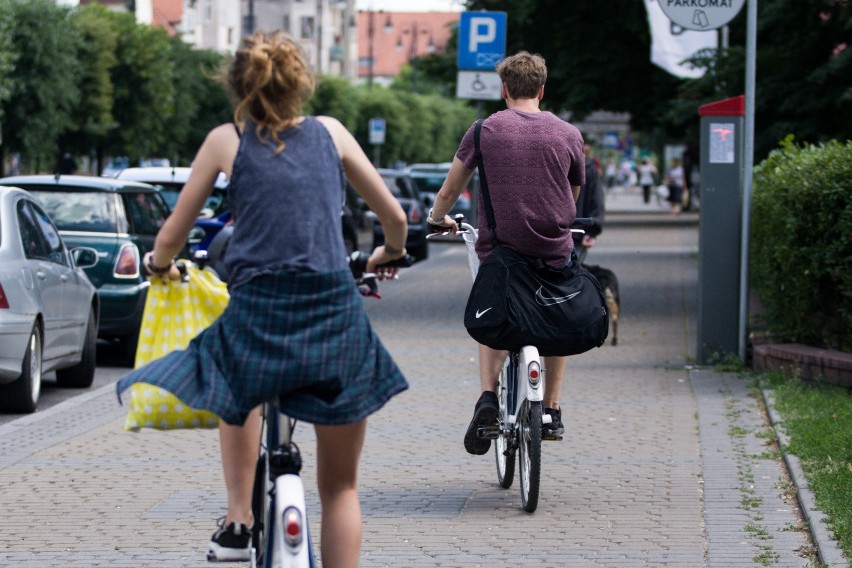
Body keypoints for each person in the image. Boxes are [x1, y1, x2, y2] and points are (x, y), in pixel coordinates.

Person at [115, 32, 409, 566]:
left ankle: (237, 520)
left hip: (258, 311)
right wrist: (389, 251)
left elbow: (171, 237)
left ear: (237, 85)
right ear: (302, 82)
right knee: (341, 488)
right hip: (332, 316)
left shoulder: (226, 141)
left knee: (235, 381)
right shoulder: (333, 133)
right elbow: (396, 219)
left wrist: (160, 267)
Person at [426, 51, 585, 454]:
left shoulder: (484, 131)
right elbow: (573, 193)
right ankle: (551, 408)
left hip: (501, 253)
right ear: (542, 89)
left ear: (504, 89)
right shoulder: (568, 133)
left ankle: (487, 399)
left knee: (489, 312)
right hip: (553, 250)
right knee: (558, 314)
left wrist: (437, 217)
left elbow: (449, 191)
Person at [574, 143, 605, 264]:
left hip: (540, 233)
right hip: (575, 231)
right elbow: (596, 199)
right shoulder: (589, 167)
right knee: (569, 277)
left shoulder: (544, 163)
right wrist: (592, 231)